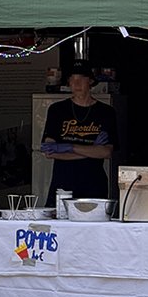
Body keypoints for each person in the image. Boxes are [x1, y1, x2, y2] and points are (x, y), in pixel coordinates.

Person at [40, 60, 118, 204]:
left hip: (93, 185)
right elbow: (49, 152)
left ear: (91, 81)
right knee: (59, 224)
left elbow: (106, 152)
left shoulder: (105, 112)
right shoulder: (57, 110)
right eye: (73, 79)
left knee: (93, 224)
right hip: (62, 185)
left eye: (82, 78)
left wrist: (69, 147)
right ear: (68, 82)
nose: (77, 83)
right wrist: (91, 151)